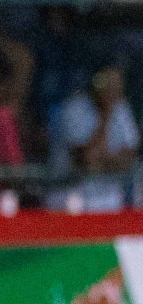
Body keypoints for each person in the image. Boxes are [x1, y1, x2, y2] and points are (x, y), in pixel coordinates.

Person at [51, 64, 139, 212]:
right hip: (70, 197)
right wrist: (105, 117)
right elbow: (87, 162)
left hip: (109, 199)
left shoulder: (121, 109)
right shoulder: (74, 108)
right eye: (108, 83)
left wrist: (104, 162)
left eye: (117, 84)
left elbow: (128, 161)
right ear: (96, 82)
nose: (113, 90)